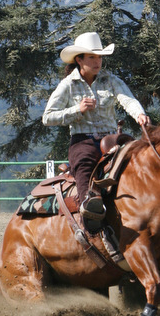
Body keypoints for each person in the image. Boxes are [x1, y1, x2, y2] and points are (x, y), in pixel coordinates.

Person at [42, 31, 150, 232]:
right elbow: (47, 117)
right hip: (83, 141)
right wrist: (77, 110)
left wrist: (139, 114)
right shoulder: (68, 85)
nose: (97, 61)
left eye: (99, 57)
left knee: (142, 159)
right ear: (79, 60)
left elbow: (128, 99)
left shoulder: (111, 79)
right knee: (84, 166)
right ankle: (90, 212)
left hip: (113, 139)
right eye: (92, 57)